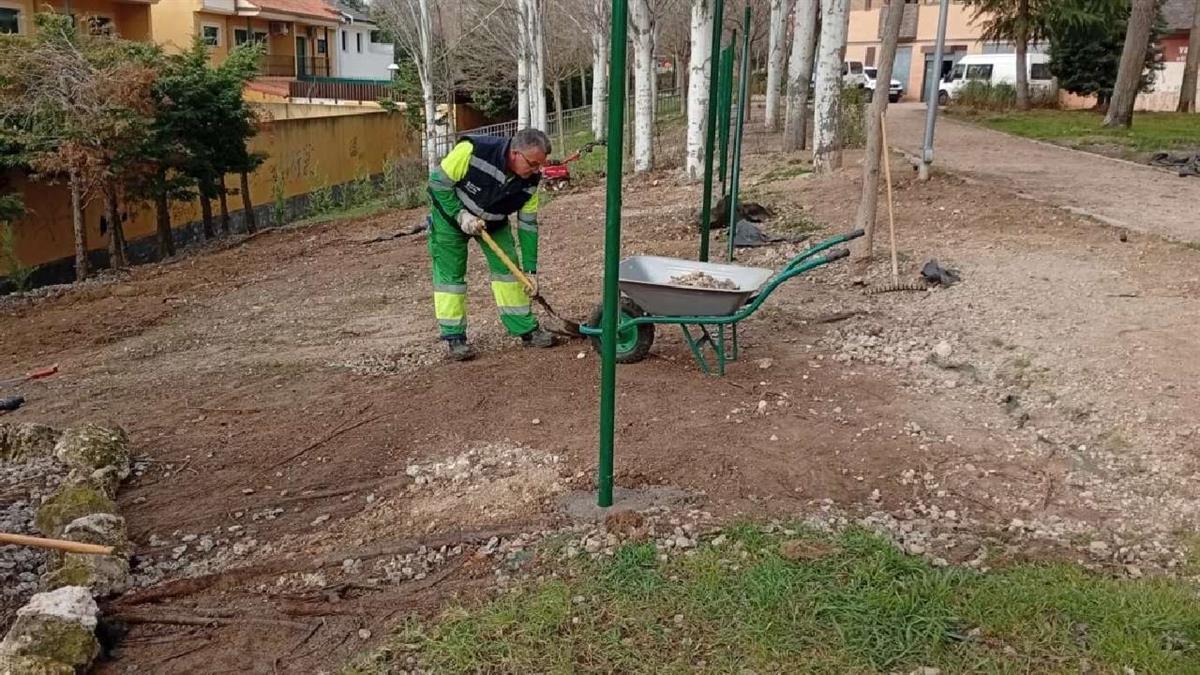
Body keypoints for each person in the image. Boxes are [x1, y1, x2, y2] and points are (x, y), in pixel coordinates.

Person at [426, 128, 558, 361]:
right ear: (516, 153)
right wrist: (460, 216)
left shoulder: (531, 183)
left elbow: (528, 226)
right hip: (449, 217)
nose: (537, 170)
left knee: (509, 272)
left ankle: (524, 328)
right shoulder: (473, 151)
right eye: (533, 164)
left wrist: (530, 270)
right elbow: (437, 183)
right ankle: (454, 336)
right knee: (450, 277)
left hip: (493, 222)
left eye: (540, 165)